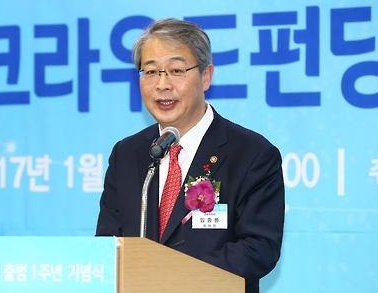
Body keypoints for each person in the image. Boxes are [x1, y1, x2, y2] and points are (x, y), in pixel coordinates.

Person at [96, 18, 285, 293]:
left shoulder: (252, 154)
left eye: (176, 70)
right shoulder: (127, 154)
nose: (162, 84)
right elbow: (108, 243)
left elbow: (258, 248)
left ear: (206, 76)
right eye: (150, 72)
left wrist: (172, 276)